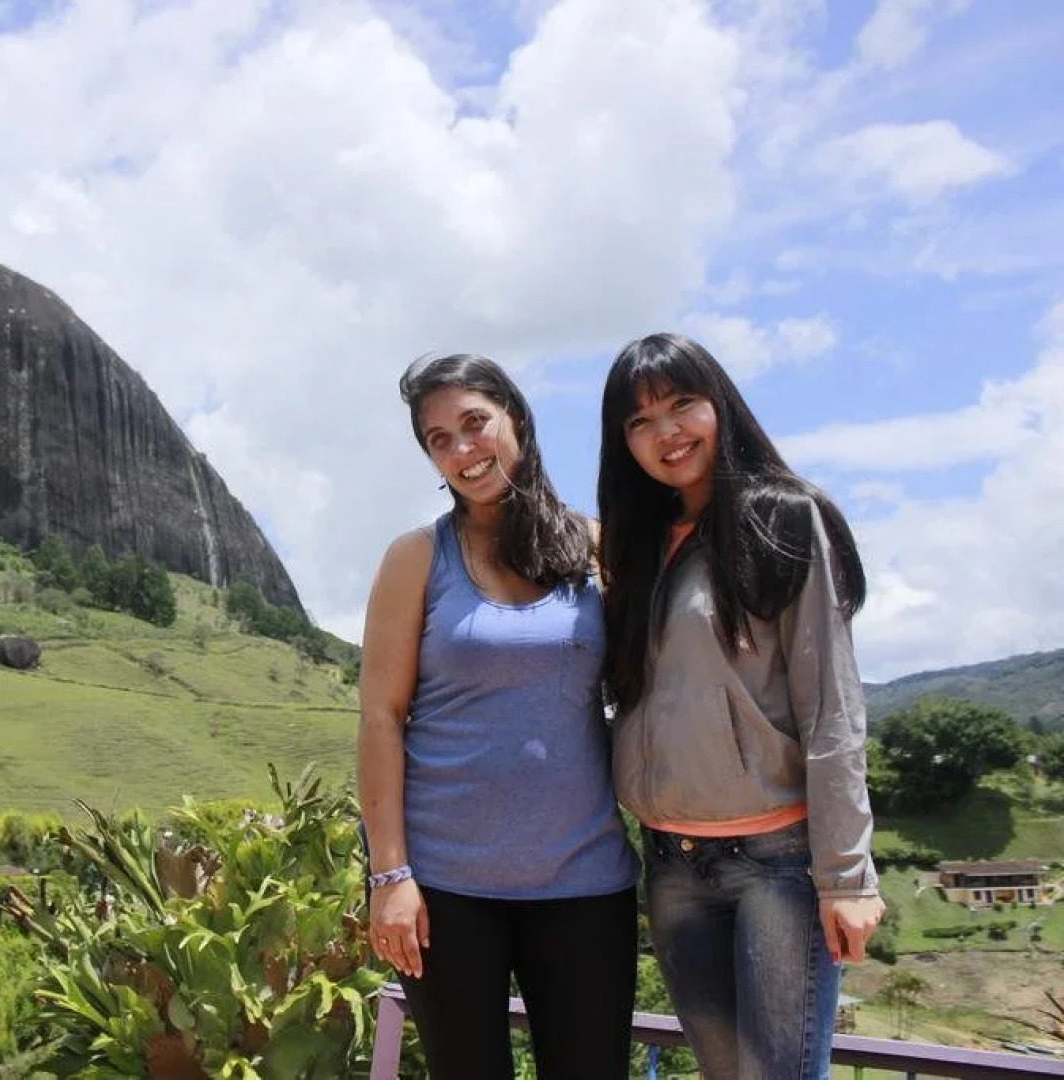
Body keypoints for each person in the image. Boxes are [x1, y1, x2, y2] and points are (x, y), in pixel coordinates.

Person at [596, 332, 886, 1080]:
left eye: (682, 404)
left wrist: (846, 878)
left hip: (776, 868)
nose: (666, 432)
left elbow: (831, 708)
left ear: (719, 404)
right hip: (670, 865)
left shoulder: (782, 519)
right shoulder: (638, 547)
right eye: (638, 421)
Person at [356, 353, 641, 1079]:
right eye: (437, 439)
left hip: (584, 884)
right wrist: (390, 878)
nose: (461, 451)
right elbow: (380, 718)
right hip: (445, 892)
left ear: (515, 416)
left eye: (473, 424)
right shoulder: (415, 558)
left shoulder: (596, 548)